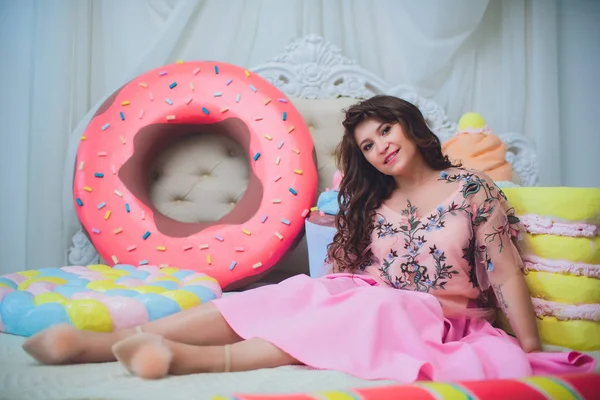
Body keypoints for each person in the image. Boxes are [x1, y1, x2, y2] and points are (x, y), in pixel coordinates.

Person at [22, 95, 595, 381]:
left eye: (386, 132)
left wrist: (530, 346)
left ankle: (179, 358)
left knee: (358, 315)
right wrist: (333, 235)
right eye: (367, 146)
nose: (380, 148)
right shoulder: (375, 200)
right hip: (365, 292)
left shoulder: (473, 189)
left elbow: (504, 271)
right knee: (284, 296)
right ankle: (111, 340)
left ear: (411, 128)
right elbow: (344, 270)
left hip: (432, 315)